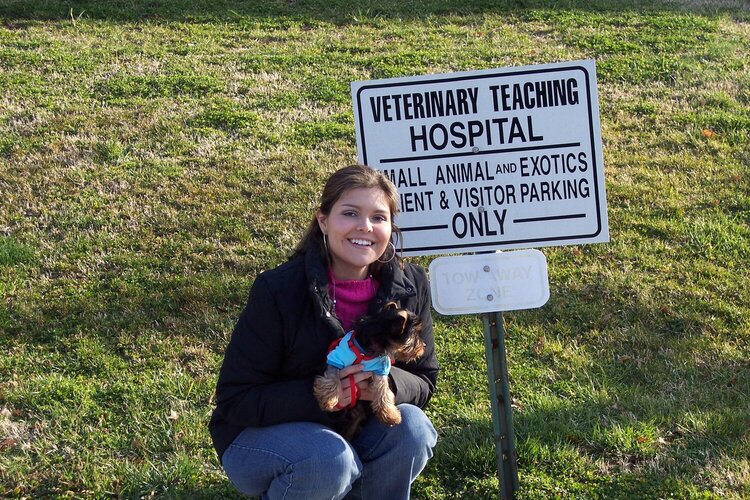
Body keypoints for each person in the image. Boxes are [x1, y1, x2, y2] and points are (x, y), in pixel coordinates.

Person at [209, 164, 439, 499]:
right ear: (322, 220)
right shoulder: (278, 289)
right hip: (262, 436)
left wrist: (383, 388)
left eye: (379, 217)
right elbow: (236, 399)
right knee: (327, 459)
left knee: (413, 429)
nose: (365, 227)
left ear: (390, 227)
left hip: (357, 427)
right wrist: (327, 397)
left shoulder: (411, 284)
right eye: (350, 214)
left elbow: (424, 378)